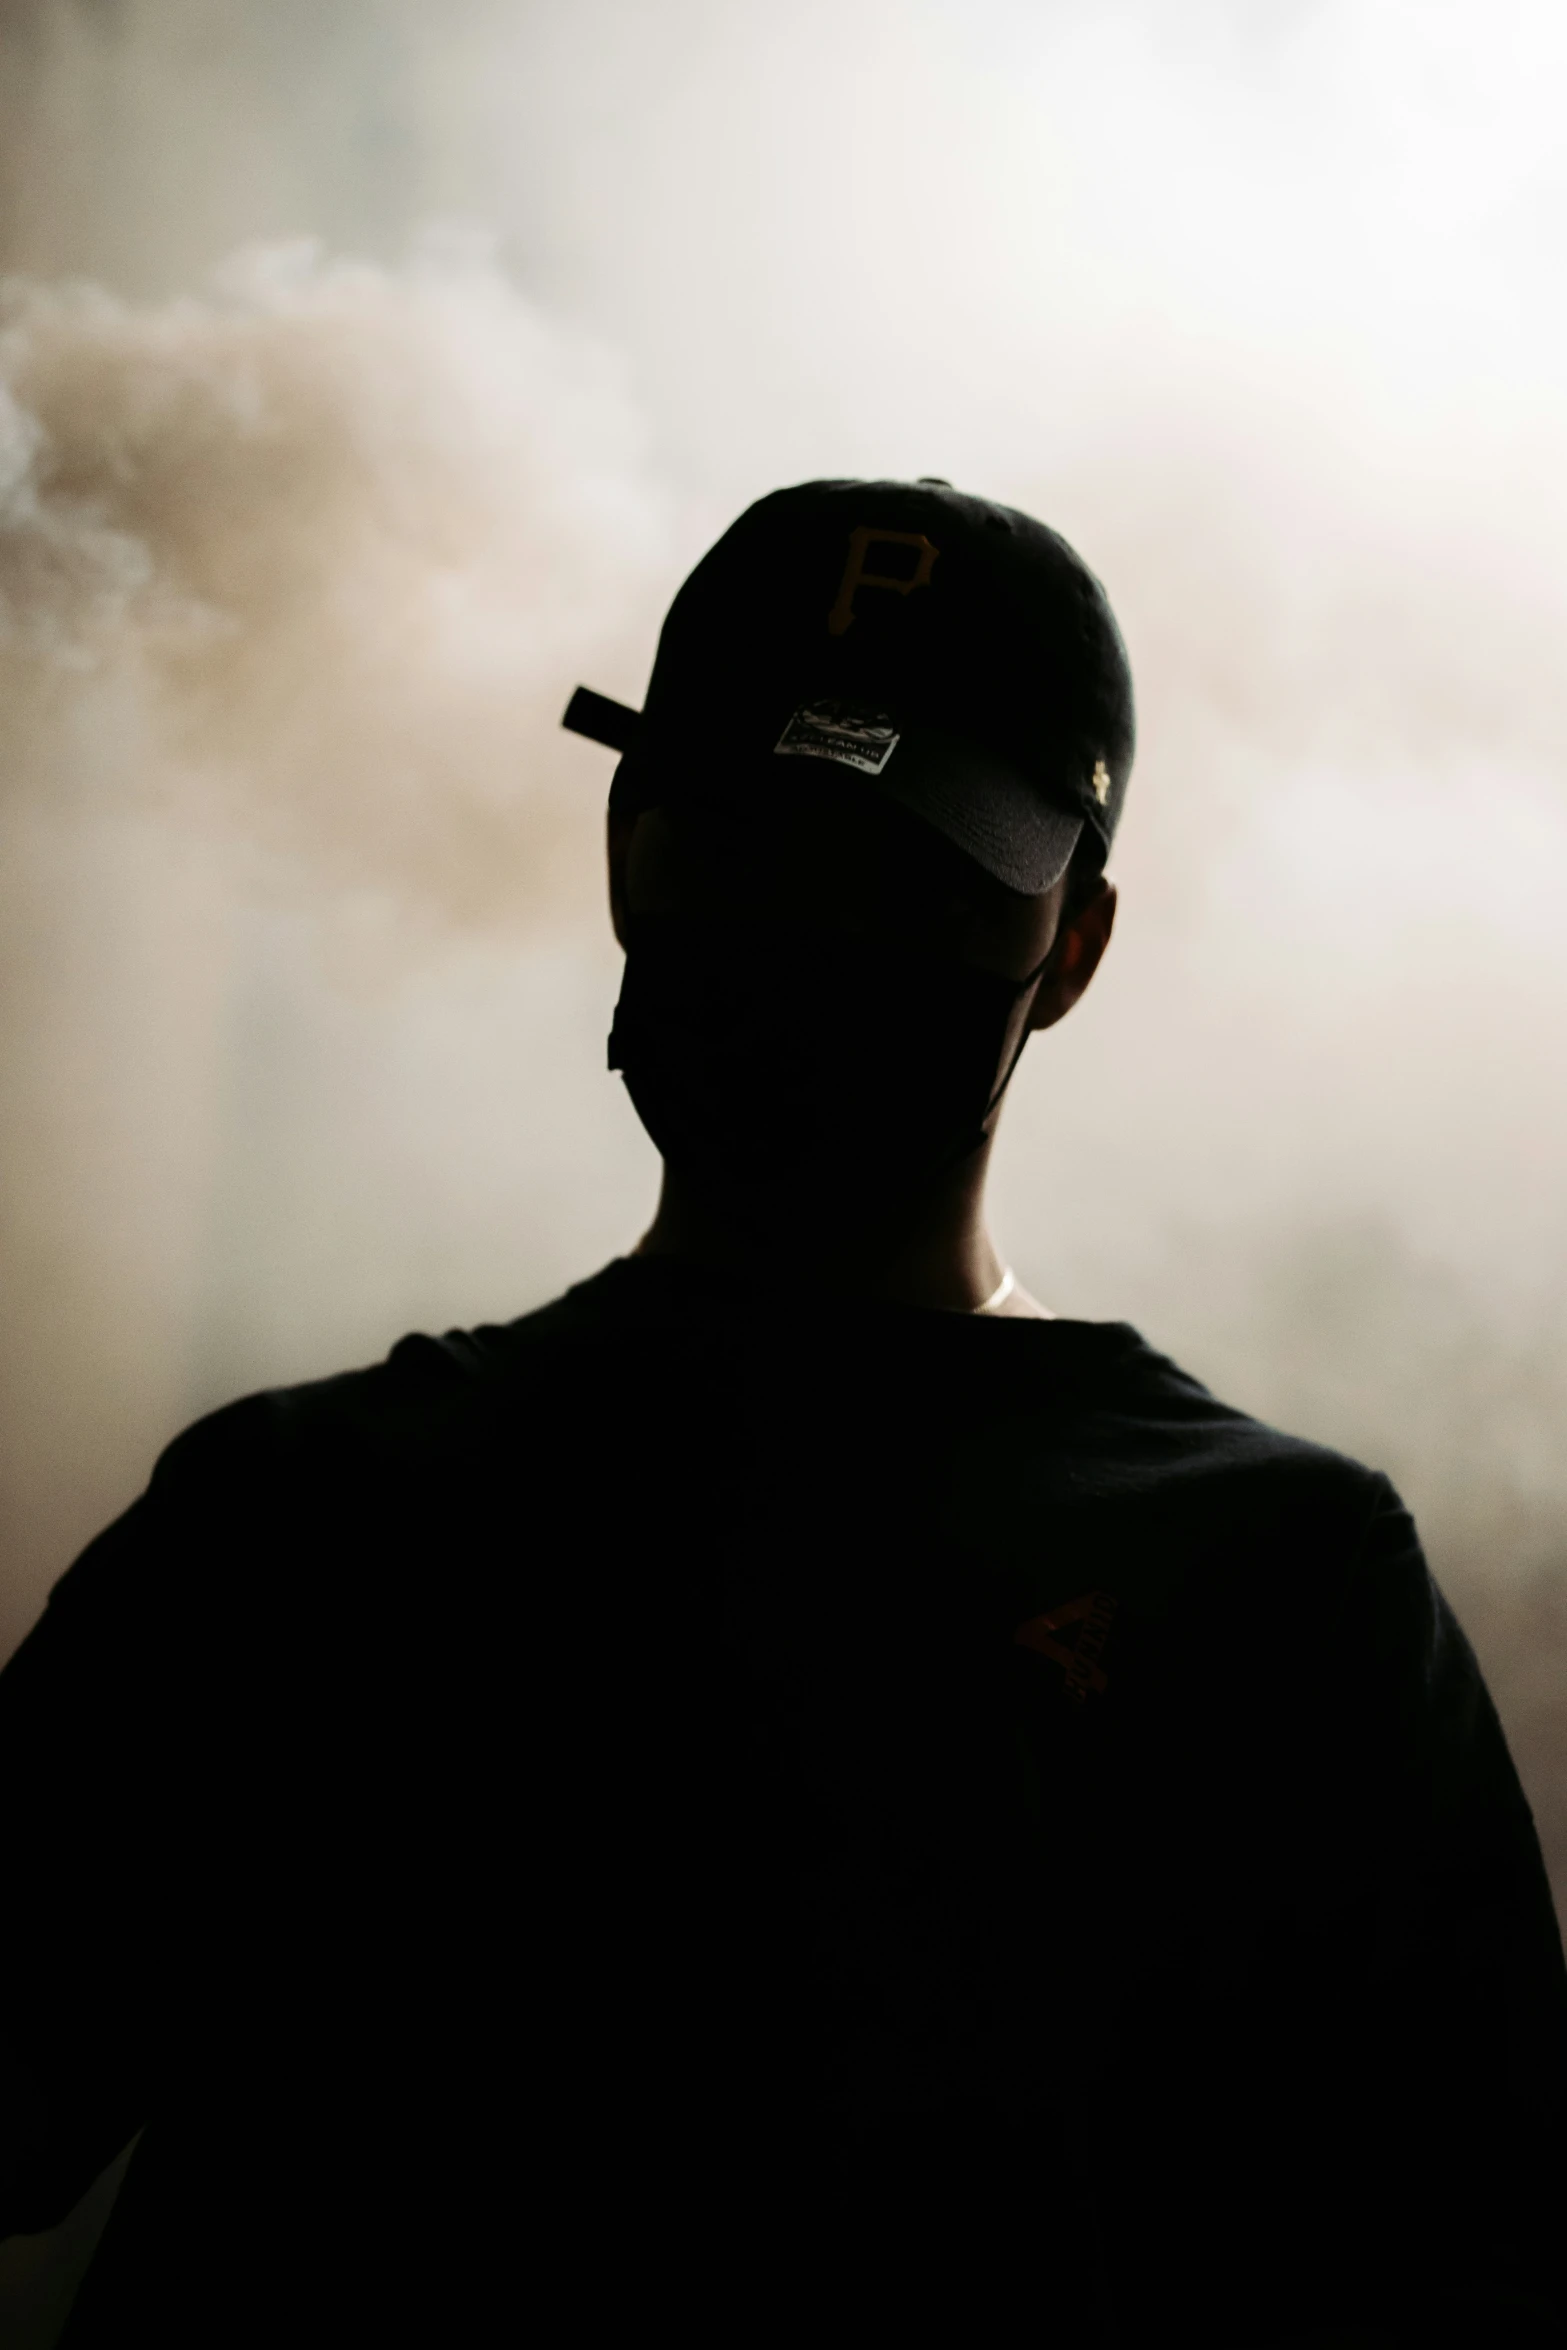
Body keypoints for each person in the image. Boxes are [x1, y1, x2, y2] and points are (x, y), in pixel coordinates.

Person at [1, 478, 1563, 2348]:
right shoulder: (291, 1527)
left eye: (902, 881)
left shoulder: (1284, 1597)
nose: (806, 936)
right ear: (624, 852)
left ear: (1069, 948)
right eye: (745, 839)